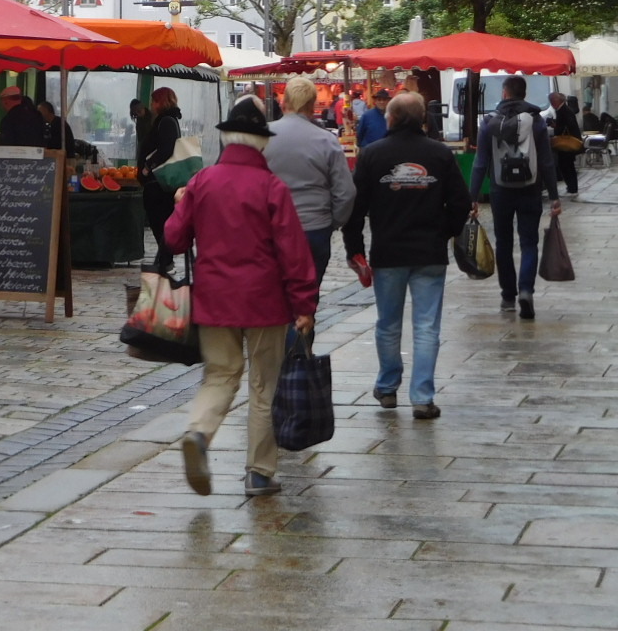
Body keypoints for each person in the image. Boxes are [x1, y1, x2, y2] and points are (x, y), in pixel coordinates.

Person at [167, 99, 318, 498]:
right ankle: (259, 473)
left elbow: (174, 238)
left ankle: (199, 432)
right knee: (265, 385)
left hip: (214, 299)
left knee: (220, 374)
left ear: (227, 138)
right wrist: (304, 305)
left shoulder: (202, 182)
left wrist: (181, 204)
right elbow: (294, 252)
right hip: (265, 302)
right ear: (262, 142)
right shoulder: (272, 187)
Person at [343, 92, 470, 418]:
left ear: (391, 118)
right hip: (429, 252)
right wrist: (445, 231)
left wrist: (354, 248)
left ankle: (387, 387)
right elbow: (460, 202)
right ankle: (422, 397)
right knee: (427, 327)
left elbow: (355, 208)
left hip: (388, 251)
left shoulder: (373, 154)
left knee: (388, 323)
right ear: (422, 119)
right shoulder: (440, 154)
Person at [470, 75, 560, 320]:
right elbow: (546, 161)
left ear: (505, 93)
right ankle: (526, 291)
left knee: (504, 243)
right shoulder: (536, 121)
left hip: (500, 191)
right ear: (524, 94)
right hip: (531, 189)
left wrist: (473, 196)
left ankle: (508, 296)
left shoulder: (489, 122)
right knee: (529, 242)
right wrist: (554, 196)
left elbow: (480, 163)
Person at [264, 76, 357, 302]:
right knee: (307, 299)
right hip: (314, 227)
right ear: (311, 105)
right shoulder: (326, 140)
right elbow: (346, 192)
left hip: (271, 228)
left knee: (273, 297)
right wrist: (332, 222)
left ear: (284, 102)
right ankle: (304, 324)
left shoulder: (262, 136)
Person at [138, 86, 183, 274]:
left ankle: (165, 260)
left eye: (154, 101)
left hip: (159, 183)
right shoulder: (167, 120)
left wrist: (148, 167)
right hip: (158, 182)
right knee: (160, 222)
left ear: (160, 102)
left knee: (159, 221)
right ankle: (164, 260)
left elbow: (166, 149)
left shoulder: (166, 121)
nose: (151, 105)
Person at [547, 91, 582, 199]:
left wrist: (556, 127)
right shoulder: (564, 109)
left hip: (567, 143)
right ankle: (571, 187)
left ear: (555, 101)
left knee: (566, 166)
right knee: (567, 166)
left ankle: (572, 188)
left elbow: (567, 126)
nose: (551, 103)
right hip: (568, 142)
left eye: (551, 101)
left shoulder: (563, 110)